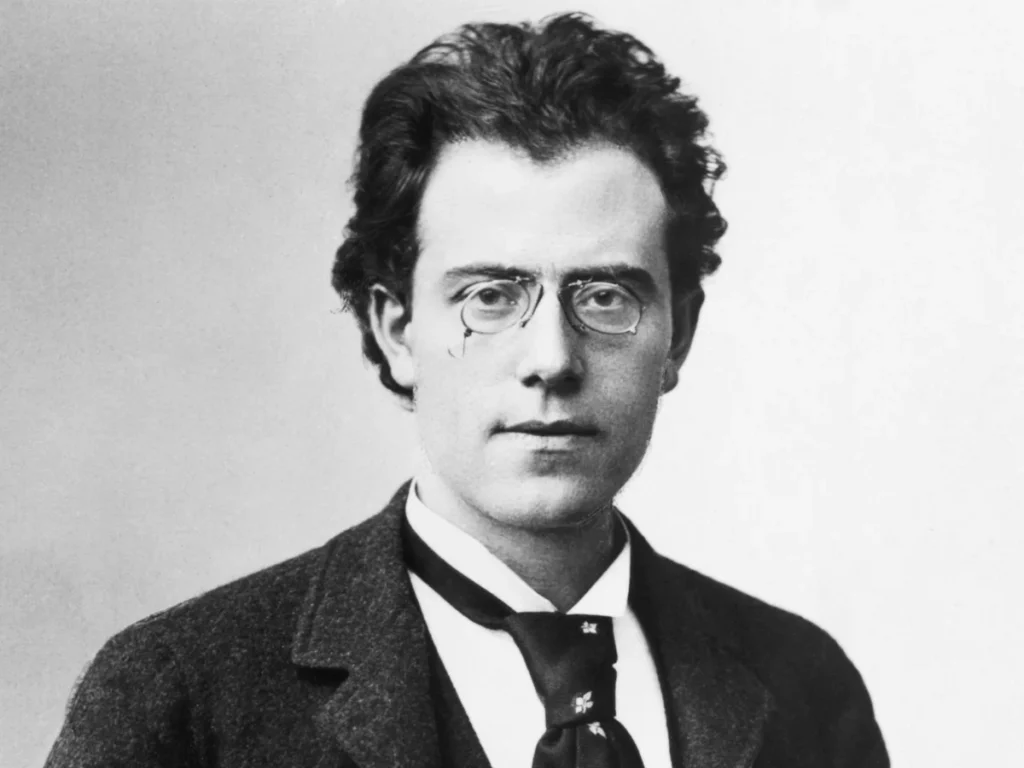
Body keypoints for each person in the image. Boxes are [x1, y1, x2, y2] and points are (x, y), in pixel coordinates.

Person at [45, 12, 888, 768]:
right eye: (490, 297)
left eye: (606, 297)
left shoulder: (805, 685)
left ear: (680, 335)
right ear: (396, 329)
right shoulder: (178, 697)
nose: (552, 359)